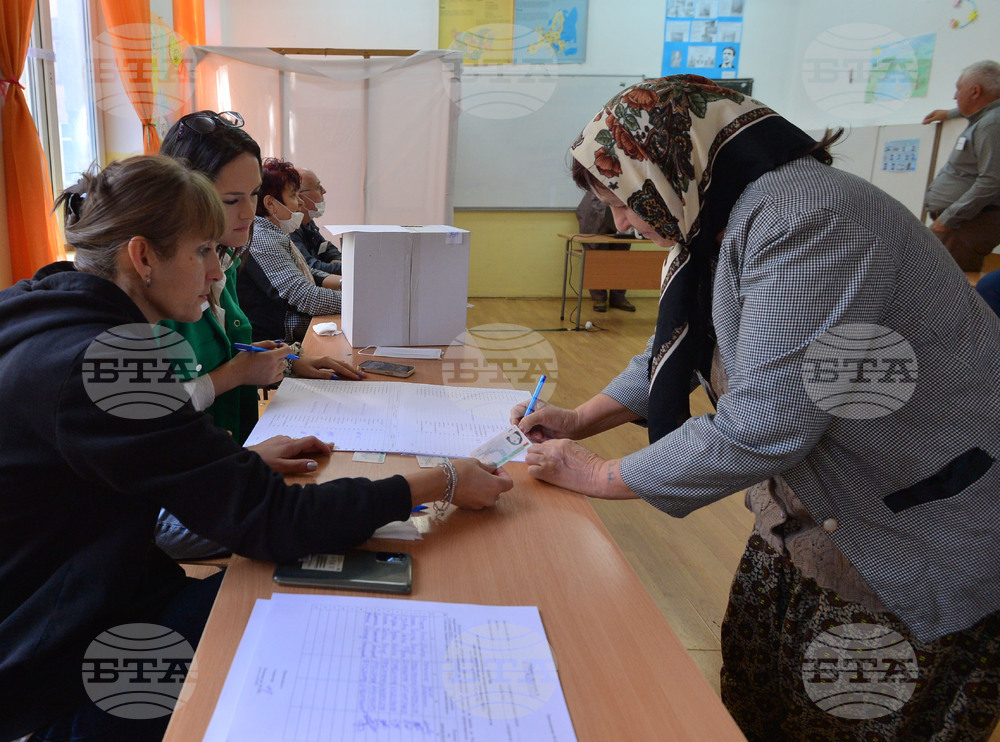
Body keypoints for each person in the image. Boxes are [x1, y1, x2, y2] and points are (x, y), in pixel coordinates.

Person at [513, 75, 1000, 741]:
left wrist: (599, 476)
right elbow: (685, 350)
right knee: (756, 711)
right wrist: (580, 419)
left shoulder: (807, 219)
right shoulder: (725, 218)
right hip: (809, 522)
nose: (621, 221)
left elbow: (768, 424)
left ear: (667, 165)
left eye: (619, 200)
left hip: (910, 533)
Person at [0, 155, 512, 741]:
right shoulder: (113, 367)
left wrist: (233, 466)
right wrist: (439, 479)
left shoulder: (35, 309)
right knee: (301, 598)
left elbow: (120, 465)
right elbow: (271, 521)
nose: (218, 271)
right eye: (203, 252)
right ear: (142, 258)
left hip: (68, 604)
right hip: (48, 667)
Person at [156, 110, 366, 560]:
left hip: (235, 460)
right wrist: (237, 373)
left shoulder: (223, 260)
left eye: (254, 195)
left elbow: (227, 348)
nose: (251, 212)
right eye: (232, 199)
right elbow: (162, 411)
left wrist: (287, 364)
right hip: (192, 492)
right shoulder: (159, 291)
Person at [238, 158, 342, 342]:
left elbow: (307, 272)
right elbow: (305, 296)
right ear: (270, 204)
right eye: (294, 195)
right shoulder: (261, 239)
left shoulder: (274, 232)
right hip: (279, 344)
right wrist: (358, 302)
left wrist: (346, 285)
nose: (300, 203)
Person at [922, 60, 1000, 271]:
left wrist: (949, 217)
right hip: (960, 226)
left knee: (938, 287)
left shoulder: (991, 124)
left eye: (958, 89)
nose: (955, 96)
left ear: (975, 91)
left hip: (963, 226)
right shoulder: (986, 119)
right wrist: (949, 113)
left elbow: (992, 181)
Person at [576, 191, 635, 312]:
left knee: (621, 260)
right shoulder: (601, 177)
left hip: (619, 220)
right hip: (595, 219)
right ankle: (599, 298)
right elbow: (597, 201)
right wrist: (619, 220)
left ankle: (618, 299)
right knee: (598, 260)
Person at [291, 167, 342, 275]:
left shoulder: (307, 223)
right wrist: (346, 268)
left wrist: (336, 261)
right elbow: (310, 266)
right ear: (301, 197)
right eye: (318, 187)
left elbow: (328, 249)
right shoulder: (289, 228)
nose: (324, 191)